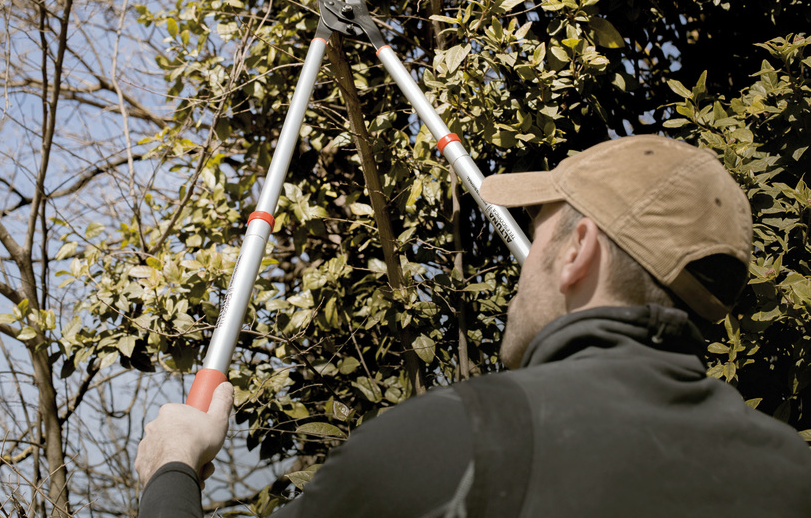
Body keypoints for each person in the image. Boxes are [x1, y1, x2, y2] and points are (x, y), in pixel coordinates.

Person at [135, 135, 811, 517]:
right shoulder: (791, 473)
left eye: (540, 232)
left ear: (578, 251)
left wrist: (172, 467)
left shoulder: (458, 441)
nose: (525, 264)